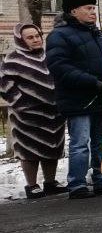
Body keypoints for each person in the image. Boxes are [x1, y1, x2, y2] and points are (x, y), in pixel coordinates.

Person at [46, 0, 102, 198]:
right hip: (78, 99)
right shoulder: (59, 35)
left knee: (101, 141)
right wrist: (93, 82)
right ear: (74, 11)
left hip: (100, 97)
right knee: (80, 143)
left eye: (94, 8)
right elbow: (59, 66)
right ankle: (77, 184)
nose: (93, 12)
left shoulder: (97, 34)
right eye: (88, 8)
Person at [0, 23, 68, 199]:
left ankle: (50, 182)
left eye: (37, 35)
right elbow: (5, 85)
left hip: (53, 113)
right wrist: (21, 104)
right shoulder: (12, 60)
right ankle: (32, 185)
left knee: (52, 148)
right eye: (30, 37)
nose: (36, 39)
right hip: (26, 117)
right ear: (21, 40)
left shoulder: (50, 56)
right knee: (29, 151)